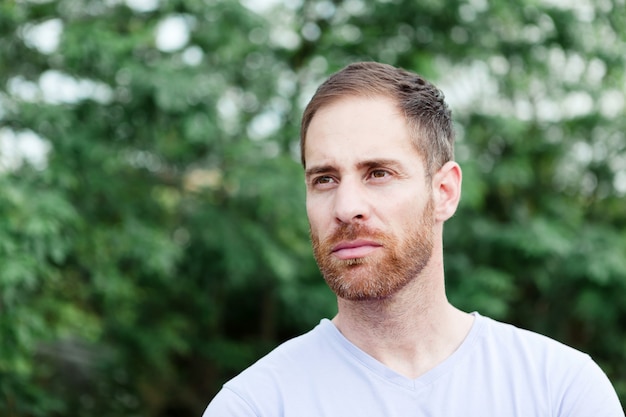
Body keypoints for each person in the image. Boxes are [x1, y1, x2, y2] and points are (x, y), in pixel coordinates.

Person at [203, 62, 624, 416]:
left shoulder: (560, 391)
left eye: (378, 173)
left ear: (444, 192)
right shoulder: (254, 405)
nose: (346, 206)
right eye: (325, 179)